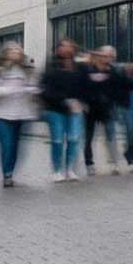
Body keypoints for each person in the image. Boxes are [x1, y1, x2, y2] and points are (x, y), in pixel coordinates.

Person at [0, 44, 40, 186]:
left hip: (21, 113)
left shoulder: (28, 70)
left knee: (14, 145)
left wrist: (30, 90)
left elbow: (36, 88)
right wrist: (7, 90)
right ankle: (6, 171)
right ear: (5, 53)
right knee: (6, 143)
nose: (16, 52)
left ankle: (8, 174)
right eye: (12, 49)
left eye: (18, 49)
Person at [39, 40, 91, 183]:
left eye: (69, 46)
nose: (66, 48)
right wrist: (64, 101)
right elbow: (45, 89)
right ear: (57, 49)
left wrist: (81, 101)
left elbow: (87, 87)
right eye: (62, 46)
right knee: (57, 140)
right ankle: (57, 170)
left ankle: (71, 169)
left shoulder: (80, 67)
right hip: (55, 109)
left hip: (75, 109)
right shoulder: (51, 66)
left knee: (74, 139)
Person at [81, 46, 119, 174]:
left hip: (105, 108)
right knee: (89, 138)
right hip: (90, 108)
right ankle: (89, 163)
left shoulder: (112, 70)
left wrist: (109, 72)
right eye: (104, 55)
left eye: (110, 56)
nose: (106, 58)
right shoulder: (87, 68)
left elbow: (116, 85)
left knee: (110, 135)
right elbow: (81, 84)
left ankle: (114, 163)